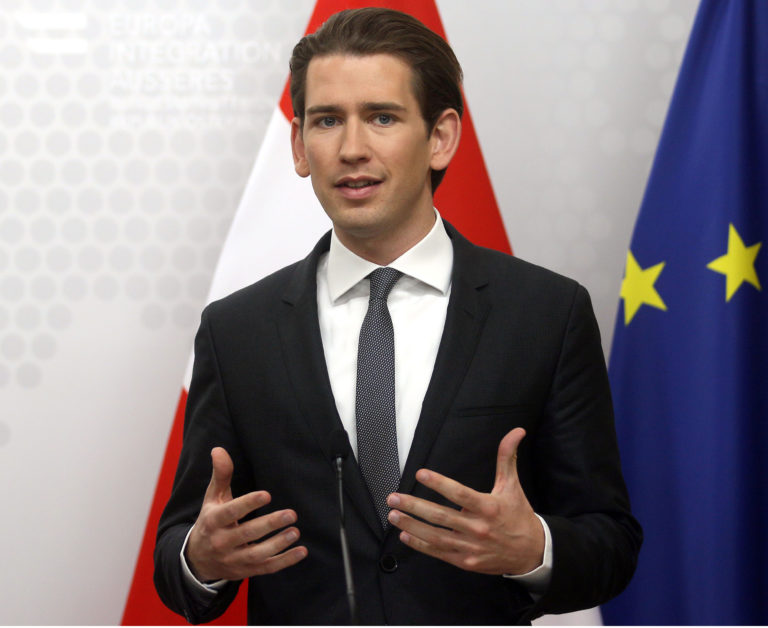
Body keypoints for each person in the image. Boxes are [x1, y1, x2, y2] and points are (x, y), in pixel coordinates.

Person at [154, 8, 642, 625]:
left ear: (441, 138)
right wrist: (200, 558)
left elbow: (610, 544)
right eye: (327, 121)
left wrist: (533, 550)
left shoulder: (547, 313)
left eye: (381, 117)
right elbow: (176, 562)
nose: (351, 149)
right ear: (299, 147)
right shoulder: (236, 331)